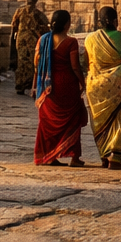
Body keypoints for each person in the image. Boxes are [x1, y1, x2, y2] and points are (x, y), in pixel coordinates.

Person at [85, 6, 121, 169]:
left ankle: (104, 155)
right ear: (116, 21)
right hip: (119, 83)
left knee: (100, 121)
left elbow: (88, 61)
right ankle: (115, 157)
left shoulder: (89, 39)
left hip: (95, 85)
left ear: (99, 21)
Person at [32, 9, 87, 167]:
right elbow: (75, 66)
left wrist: (35, 85)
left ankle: (48, 156)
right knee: (72, 120)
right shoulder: (71, 42)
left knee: (47, 122)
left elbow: (36, 63)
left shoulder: (42, 40)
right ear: (67, 24)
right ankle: (74, 157)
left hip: (47, 86)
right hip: (66, 85)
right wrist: (82, 82)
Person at [11, 0, 51, 95]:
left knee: (21, 62)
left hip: (20, 40)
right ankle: (30, 85)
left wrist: (15, 37)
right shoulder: (38, 13)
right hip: (33, 40)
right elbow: (46, 27)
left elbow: (14, 26)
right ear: (36, 1)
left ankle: (19, 85)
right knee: (32, 63)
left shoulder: (19, 11)